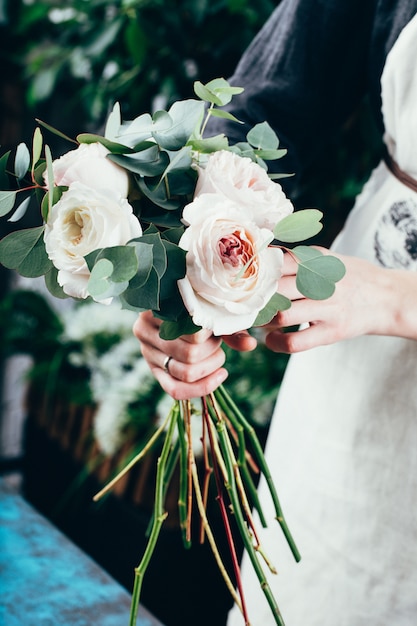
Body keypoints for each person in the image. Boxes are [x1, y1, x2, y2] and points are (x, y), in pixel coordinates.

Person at [134, 1, 417, 624]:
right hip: (358, 353)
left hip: (371, 296)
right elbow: (267, 104)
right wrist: (185, 260)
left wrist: (399, 298)